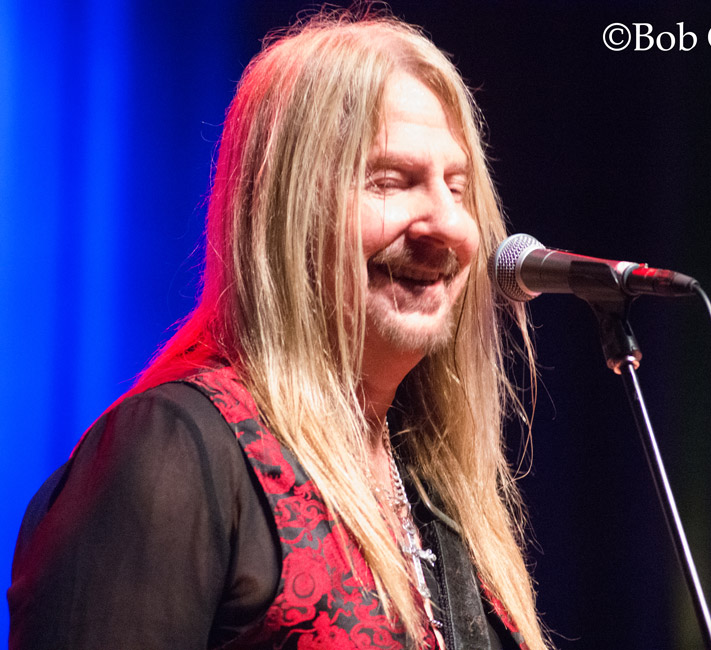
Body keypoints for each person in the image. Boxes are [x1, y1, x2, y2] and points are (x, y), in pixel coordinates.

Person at [8, 10, 547, 650]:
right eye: (391, 181)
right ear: (287, 208)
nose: (448, 226)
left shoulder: (429, 485)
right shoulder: (174, 451)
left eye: (457, 189)